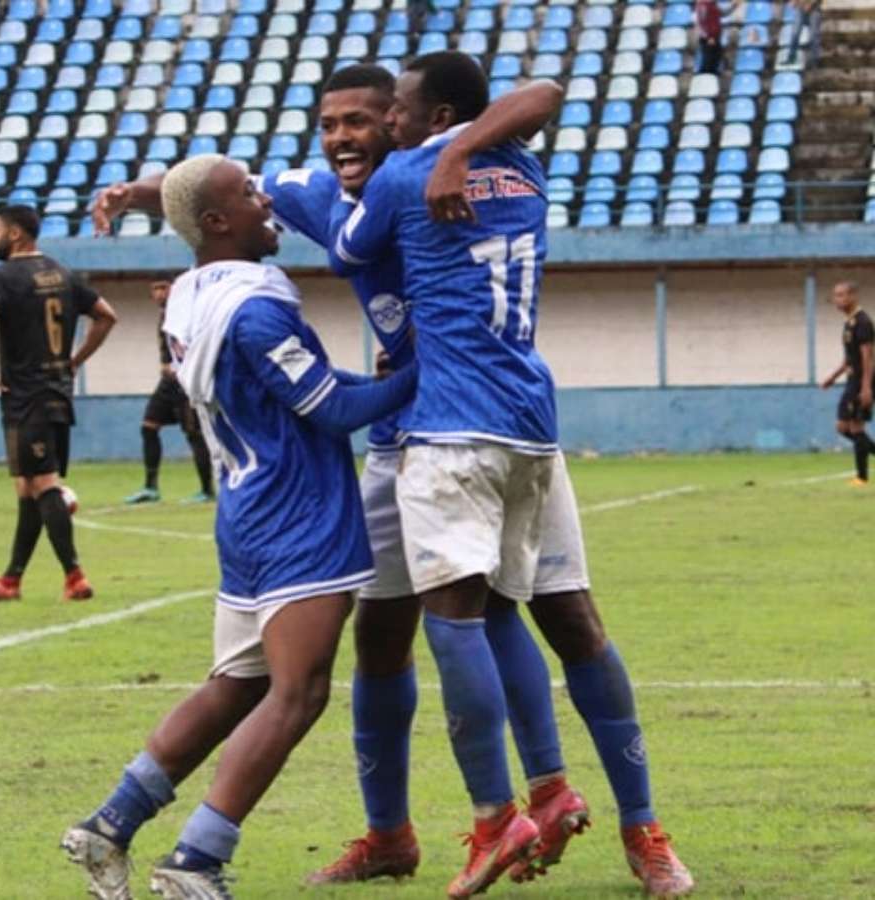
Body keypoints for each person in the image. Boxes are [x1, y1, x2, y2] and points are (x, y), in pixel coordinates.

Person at [90, 71, 599, 892]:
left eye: (365, 119)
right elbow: (231, 203)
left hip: (433, 442)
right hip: (359, 474)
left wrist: (149, 195)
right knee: (342, 667)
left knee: (524, 617)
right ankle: (267, 849)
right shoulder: (292, 245)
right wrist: (156, 195)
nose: (342, 137)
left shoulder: (423, 179)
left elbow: (542, 92)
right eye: (329, 124)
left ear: (405, 126)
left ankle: (563, 804)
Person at [330, 52, 693, 898]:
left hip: (450, 434)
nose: (379, 129)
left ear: (433, 113)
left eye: (392, 114)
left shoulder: (402, 178)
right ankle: (636, 829)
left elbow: (348, 242)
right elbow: (545, 93)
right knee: (571, 622)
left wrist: (428, 160)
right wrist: (462, 149)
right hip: (534, 428)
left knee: (452, 622)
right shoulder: (523, 164)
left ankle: (499, 817)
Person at [59, 155, 418, 900]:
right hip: (298, 516)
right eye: (252, 196)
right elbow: (332, 411)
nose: (267, 205)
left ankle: (108, 825)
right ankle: (196, 860)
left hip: (246, 509)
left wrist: (380, 382)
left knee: (235, 687)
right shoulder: (256, 309)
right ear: (219, 223)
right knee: (300, 692)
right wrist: (423, 372)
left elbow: (302, 391)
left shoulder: (193, 294)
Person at [0, 205, 118, 602]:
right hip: (57, 391)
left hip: (25, 396)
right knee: (27, 485)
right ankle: (11, 580)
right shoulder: (64, 273)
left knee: (43, 483)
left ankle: (75, 576)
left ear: (15, 234)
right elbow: (106, 316)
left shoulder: (3, 277)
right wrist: (75, 361)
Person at [123, 277, 216, 505]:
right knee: (149, 427)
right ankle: (151, 487)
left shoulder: (184, 313)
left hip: (184, 382)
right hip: (167, 383)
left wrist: (183, 367)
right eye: (154, 289)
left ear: (174, 288)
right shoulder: (165, 314)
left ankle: (207, 490)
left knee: (194, 434)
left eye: (163, 288)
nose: (159, 293)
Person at [821, 280, 874, 486]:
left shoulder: (863, 322)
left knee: (855, 427)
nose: (837, 300)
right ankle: (862, 475)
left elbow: (868, 357)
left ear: (853, 296)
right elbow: (849, 358)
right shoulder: (848, 323)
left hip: (862, 381)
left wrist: (867, 386)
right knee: (842, 427)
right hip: (852, 380)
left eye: (842, 295)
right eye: (835, 296)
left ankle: (861, 477)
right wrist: (833, 377)